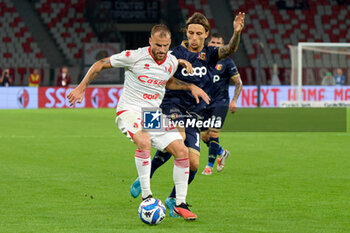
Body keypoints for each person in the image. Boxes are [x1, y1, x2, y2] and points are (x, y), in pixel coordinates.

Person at [67, 24, 211, 220]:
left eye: (165, 46)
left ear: (170, 44)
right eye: (158, 45)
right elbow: (100, 63)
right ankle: (147, 198)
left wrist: (189, 86)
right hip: (130, 111)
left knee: (182, 150)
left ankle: (180, 204)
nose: (161, 50)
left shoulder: (170, 61)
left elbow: (167, 81)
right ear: (150, 41)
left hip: (152, 114)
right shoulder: (134, 56)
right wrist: (81, 88)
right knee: (143, 141)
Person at [130, 12, 245, 217]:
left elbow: (230, 49)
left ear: (206, 34)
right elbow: (163, 79)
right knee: (179, 138)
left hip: (195, 112)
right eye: (190, 32)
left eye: (198, 34)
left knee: (193, 163)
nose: (193, 37)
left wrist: (236, 33)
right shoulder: (174, 53)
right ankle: (147, 174)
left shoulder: (210, 54)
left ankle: (174, 199)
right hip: (170, 105)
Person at [200, 33, 242, 175]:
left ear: (223, 46)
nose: (216, 45)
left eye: (219, 43)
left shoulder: (227, 62)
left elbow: (238, 83)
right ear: (208, 44)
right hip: (204, 102)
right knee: (204, 136)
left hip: (221, 102)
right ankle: (222, 152)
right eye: (213, 42)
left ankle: (209, 166)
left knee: (213, 133)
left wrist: (235, 100)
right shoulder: (203, 60)